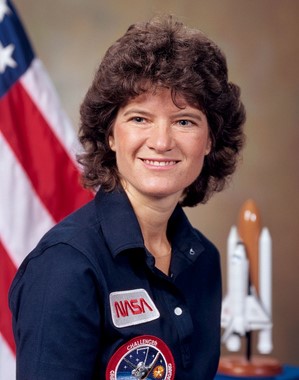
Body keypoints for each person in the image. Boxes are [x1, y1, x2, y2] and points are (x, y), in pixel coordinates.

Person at [9, 15, 245, 380]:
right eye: (139, 119)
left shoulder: (203, 261)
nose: (162, 141)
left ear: (210, 140)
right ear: (111, 136)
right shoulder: (66, 267)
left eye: (185, 121)